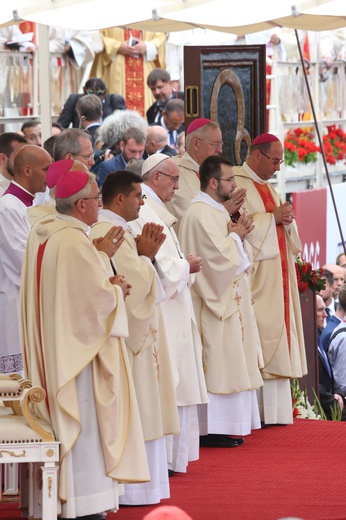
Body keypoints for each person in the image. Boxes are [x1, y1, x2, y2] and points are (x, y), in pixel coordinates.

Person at [21, 166, 149, 519]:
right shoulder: (73, 241)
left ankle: (62, 500)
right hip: (79, 362)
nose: (99, 205)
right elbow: (91, 303)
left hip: (57, 349)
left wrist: (102, 263)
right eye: (95, 199)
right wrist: (117, 289)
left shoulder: (46, 233)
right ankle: (83, 503)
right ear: (80, 206)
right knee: (87, 429)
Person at [90, 170, 179, 505]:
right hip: (131, 340)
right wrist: (145, 256)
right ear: (119, 198)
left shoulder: (122, 230)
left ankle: (146, 487)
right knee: (140, 404)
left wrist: (146, 255)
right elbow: (134, 286)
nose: (143, 202)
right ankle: (136, 491)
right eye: (139, 196)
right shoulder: (110, 231)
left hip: (141, 332)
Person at [131, 154, 208, 473]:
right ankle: (167, 460)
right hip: (163, 308)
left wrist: (182, 265)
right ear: (154, 177)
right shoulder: (146, 210)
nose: (178, 185)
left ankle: (176, 457)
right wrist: (184, 266)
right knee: (171, 380)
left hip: (174, 305)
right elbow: (158, 265)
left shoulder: (155, 209)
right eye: (173, 179)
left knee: (180, 379)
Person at [179, 155, 263, 447]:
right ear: (213, 182)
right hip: (214, 302)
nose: (234, 185)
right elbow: (217, 260)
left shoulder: (214, 210)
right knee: (217, 361)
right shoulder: (199, 213)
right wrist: (237, 237)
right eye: (230, 180)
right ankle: (211, 428)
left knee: (229, 361)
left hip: (230, 298)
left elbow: (231, 253)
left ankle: (226, 425)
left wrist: (237, 233)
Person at [234, 132, 307, 425]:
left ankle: (276, 414)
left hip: (279, 275)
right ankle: (260, 414)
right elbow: (239, 226)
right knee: (263, 332)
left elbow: (283, 228)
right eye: (274, 160)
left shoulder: (267, 186)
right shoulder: (238, 183)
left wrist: (286, 218)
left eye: (280, 161)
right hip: (260, 277)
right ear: (256, 155)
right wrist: (272, 218)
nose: (277, 167)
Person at [0, 145, 52, 374]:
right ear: (28, 170)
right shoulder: (8, 208)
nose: (49, 176)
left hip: (31, 300)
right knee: (20, 384)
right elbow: (25, 260)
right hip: (16, 302)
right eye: (46, 169)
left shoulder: (32, 205)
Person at [167, 118, 245, 234]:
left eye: (221, 144)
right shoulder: (176, 173)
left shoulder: (219, 171)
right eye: (215, 144)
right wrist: (224, 210)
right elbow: (188, 219)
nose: (220, 150)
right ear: (196, 144)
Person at [90, 29, 166, 116]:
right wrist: (117, 46)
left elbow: (160, 36)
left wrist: (146, 46)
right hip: (117, 67)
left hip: (145, 64)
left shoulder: (149, 15)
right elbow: (97, 35)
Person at [315, 294, 345, 421]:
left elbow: (332, 375)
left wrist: (337, 392)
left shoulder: (318, 335)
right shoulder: (341, 335)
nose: (326, 315)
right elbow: (342, 380)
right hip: (329, 409)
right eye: (320, 310)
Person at [57, 77, 126, 129]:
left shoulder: (114, 100)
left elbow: (123, 127)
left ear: (104, 93)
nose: (94, 97)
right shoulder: (74, 99)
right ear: (84, 91)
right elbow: (62, 125)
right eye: (90, 93)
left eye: (98, 93)